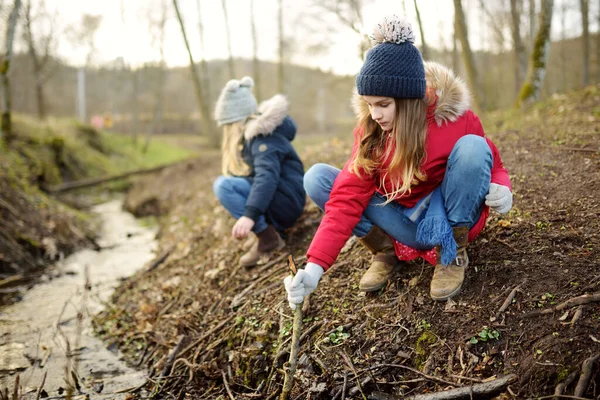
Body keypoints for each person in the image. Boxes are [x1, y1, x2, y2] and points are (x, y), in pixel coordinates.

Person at [284, 16, 512, 309]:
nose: (374, 114)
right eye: (368, 104)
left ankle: (452, 252)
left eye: (383, 104)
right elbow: (345, 199)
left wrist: (502, 187)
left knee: (473, 147)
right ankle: (386, 251)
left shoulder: (455, 119)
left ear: (408, 100)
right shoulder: (372, 131)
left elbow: (493, 164)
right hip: (402, 222)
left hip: (447, 217)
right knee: (317, 178)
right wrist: (314, 267)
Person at [213, 77, 306, 268]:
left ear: (236, 122)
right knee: (233, 181)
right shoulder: (255, 136)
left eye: (228, 126)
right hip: (282, 198)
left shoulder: (263, 138)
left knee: (224, 186)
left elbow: (267, 178)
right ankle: (264, 231)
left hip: (286, 202)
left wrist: (249, 215)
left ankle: (268, 237)